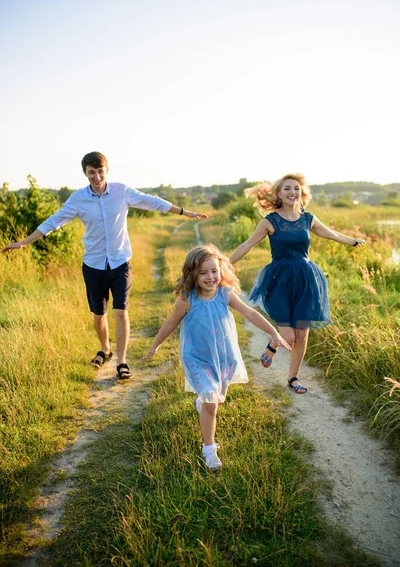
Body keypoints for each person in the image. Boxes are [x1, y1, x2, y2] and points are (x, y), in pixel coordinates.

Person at [0, 151, 208, 379]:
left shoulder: (121, 191)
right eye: (92, 173)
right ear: (85, 174)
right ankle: (106, 350)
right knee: (99, 315)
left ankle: (122, 362)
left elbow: (152, 202)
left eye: (100, 171)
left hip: (120, 263)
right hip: (93, 265)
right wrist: (23, 242)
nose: (97, 177)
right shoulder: (78, 199)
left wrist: (184, 212)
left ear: (106, 171)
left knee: (121, 312)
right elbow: (54, 221)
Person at [141, 243, 291, 470]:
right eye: (203, 272)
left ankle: (203, 402)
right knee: (212, 405)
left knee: (215, 399)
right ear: (193, 274)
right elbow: (171, 323)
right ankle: (209, 450)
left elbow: (250, 313)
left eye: (214, 271)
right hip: (196, 357)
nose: (210, 277)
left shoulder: (225, 294)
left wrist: (273, 333)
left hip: (224, 356)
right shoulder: (187, 299)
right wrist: (155, 346)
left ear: (221, 270)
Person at [229, 173, 366, 394]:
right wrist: (225, 264)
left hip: (306, 280)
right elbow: (248, 245)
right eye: (287, 189)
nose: (293, 192)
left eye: (296, 188)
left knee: (302, 334)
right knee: (289, 336)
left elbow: (330, 234)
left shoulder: (308, 219)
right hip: (280, 280)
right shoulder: (270, 221)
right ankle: (274, 343)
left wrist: (353, 241)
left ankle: (293, 377)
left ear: (302, 193)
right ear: (279, 194)